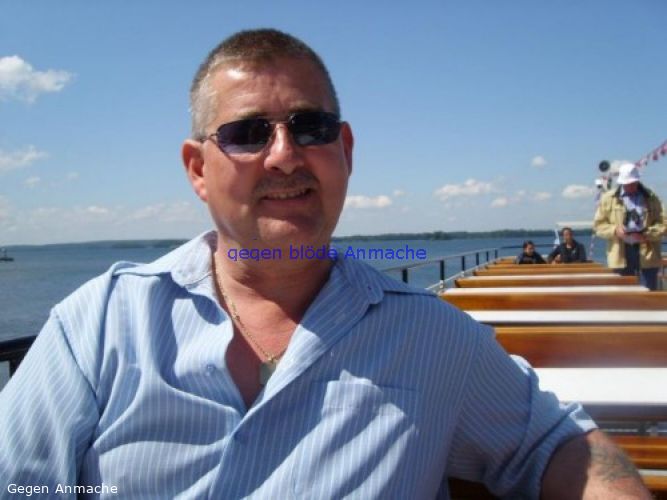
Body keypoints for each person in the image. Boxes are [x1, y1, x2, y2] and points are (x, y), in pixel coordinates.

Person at [0, 29, 650, 499]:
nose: (285, 155)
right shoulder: (98, 326)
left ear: (344, 151)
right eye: (248, 133)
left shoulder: (433, 339)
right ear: (198, 169)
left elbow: (558, 446)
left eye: (309, 128)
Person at [594, 162, 664, 290]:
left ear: (637, 181)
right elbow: (598, 225)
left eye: (633, 183)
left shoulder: (651, 197)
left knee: (648, 293)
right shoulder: (608, 198)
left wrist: (647, 234)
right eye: (627, 184)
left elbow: (663, 224)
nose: (630, 187)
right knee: (621, 295)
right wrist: (615, 230)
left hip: (648, 253)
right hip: (620, 253)